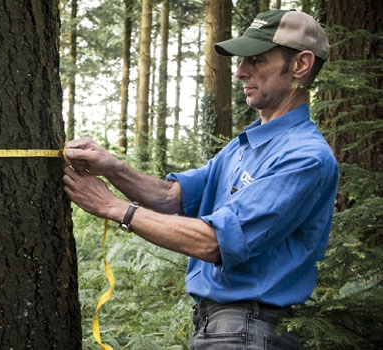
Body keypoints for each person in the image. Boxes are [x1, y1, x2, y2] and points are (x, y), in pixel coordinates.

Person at [63, 9, 339, 350]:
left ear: (300, 64)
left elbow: (214, 242)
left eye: (256, 60)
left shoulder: (303, 157)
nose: (240, 72)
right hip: (226, 327)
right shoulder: (247, 144)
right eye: (241, 61)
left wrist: (112, 206)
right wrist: (112, 167)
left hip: (250, 331)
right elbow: (171, 196)